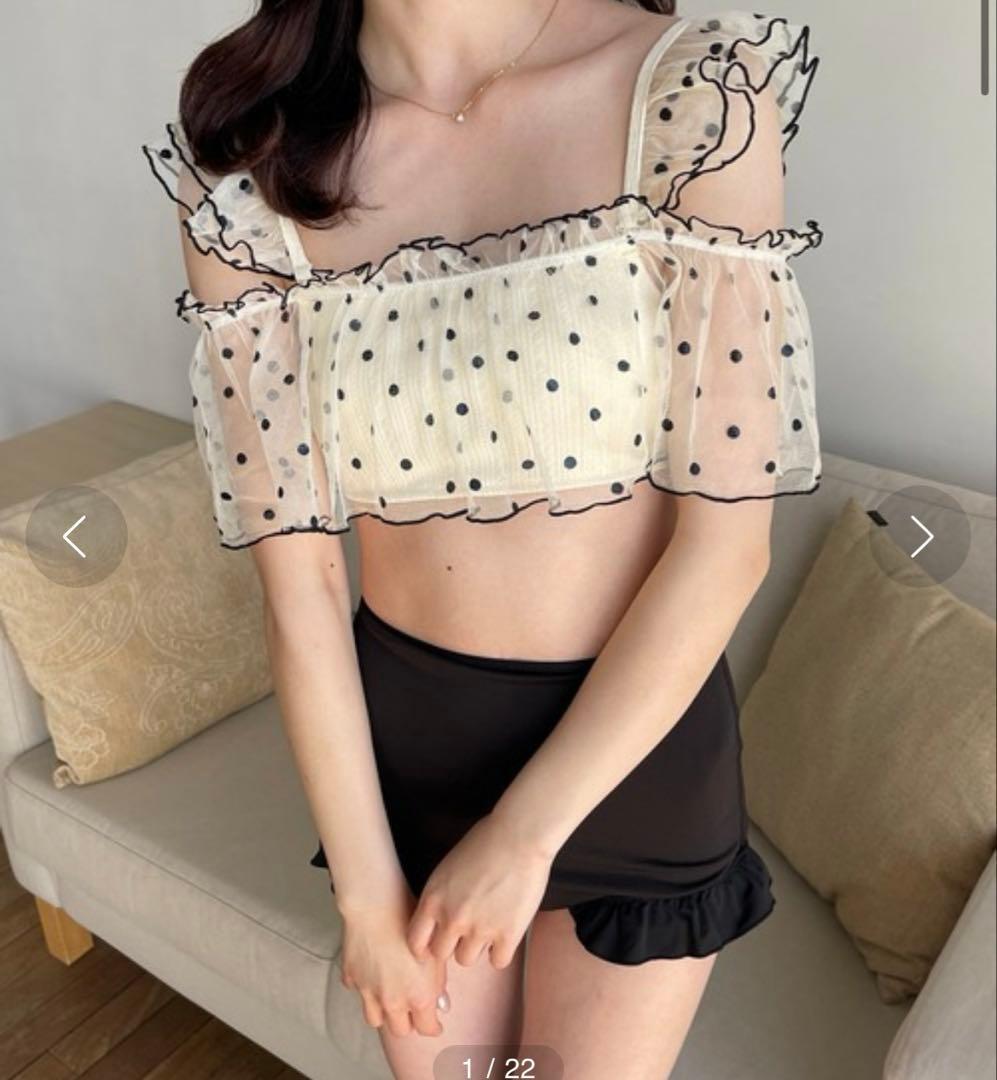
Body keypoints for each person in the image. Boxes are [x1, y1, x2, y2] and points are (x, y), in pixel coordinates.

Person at [143, 1, 821, 1076]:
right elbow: (302, 591)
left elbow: (725, 548)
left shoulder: (687, 91)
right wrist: (367, 900)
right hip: (409, 750)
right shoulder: (253, 163)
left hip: (633, 750)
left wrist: (522, 836)